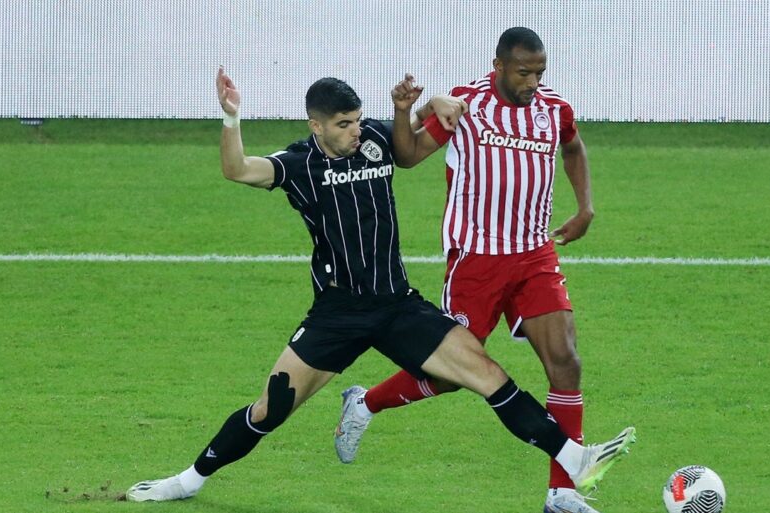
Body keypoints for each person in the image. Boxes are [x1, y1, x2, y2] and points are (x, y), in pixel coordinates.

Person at [124, 67, 635, 505]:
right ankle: (188, 481)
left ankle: (576, 458)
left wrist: (431, 101)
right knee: (270, 408)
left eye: (356, 120)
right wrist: (231, 116)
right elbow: (236, 169)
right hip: (337, 315)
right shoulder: (299, 165)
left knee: (488, 375)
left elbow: (412, 136)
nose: (354, 131)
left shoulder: (372, 140)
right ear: (316, 125)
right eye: (343, 124)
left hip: (397, 306)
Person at [333, 28, 628, 513]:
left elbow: (572, 147)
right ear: (499, 66)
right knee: (451, 375)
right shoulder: (465, 105)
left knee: (566, 362)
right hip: (476, 259)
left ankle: (562, 495)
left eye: (539, 72)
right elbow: (407, 157)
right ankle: (364, 403)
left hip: (534, 255)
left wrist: (586, 207)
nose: (532, 82)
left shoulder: (554, 109)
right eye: (523, 72)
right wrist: (408, 111)